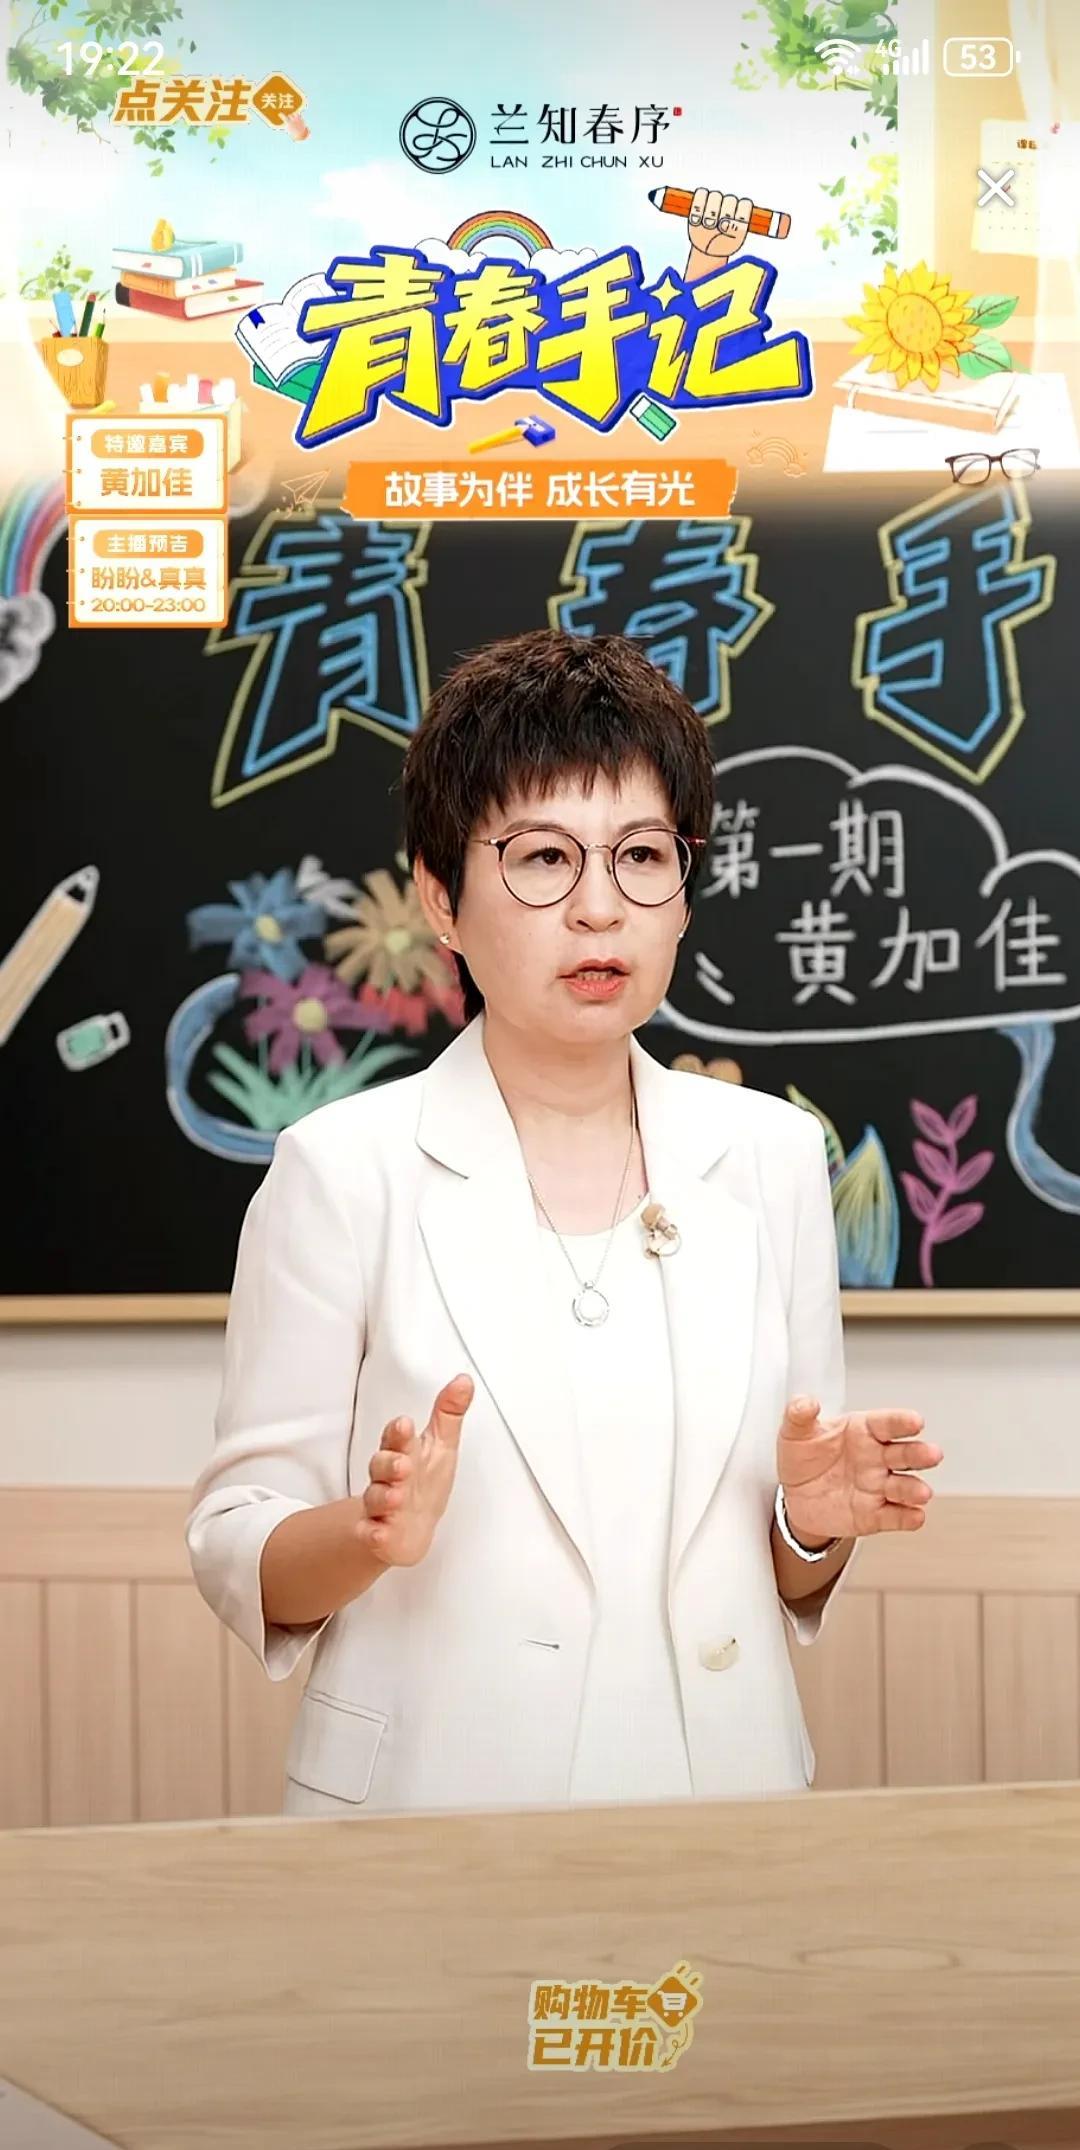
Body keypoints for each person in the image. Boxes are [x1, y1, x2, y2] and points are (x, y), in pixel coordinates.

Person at [185, 629, 940, 1820]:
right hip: (431, 1816)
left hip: (723, 1804)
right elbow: (239, 1541)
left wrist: (813, 1524)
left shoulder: (773, 1155)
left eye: (642, 855)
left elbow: (789, 1569)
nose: (600, 909)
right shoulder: (342, 1169)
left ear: (684, 889)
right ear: (441, 896)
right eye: (543, 856)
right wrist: (367, 1532)